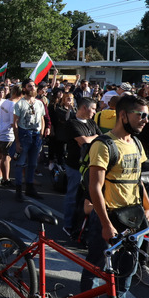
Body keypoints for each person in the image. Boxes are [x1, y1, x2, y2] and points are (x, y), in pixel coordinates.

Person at [79, 95, 149, 298]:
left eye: (147, 115)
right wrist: (105, 224)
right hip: (109, 217)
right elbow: (95, 187)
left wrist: (147, 206)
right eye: (140, 115)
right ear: (123, 115)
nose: (145, 120)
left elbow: (136, 178)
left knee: (128, 267)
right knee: (96, 266)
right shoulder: (103, 145)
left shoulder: (137, 144)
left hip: (134, 217)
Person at [63, 97, 101, 235]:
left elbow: (100, 138)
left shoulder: (91, 122)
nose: (95, 112)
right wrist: (93, 137)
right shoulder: (72, 123)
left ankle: (81, 226)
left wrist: (92, 138)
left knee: (86, 197)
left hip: (90, 166)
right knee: (72, 196)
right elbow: (84, 142)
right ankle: (68, 225)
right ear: (84, 108)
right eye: (93, 108)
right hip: (75, 165)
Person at [13, 79, 45, 201]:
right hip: (24, 134)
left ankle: (30, 188)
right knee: (20, 163)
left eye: (33, 86)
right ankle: (18, 191)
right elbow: (15, 123)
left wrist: (41, 134)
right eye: (29, 86)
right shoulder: (20, 104)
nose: (32, 88)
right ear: (24, 88)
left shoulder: (39, 103)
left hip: (36, 134)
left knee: (33, 163)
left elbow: (42, 119)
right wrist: (17, 141)